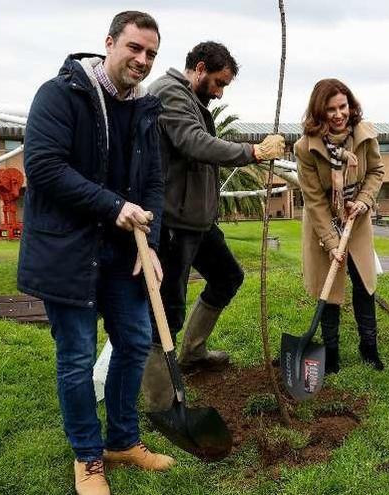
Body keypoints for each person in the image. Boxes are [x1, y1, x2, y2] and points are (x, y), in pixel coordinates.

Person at [18, 11, 174, 495]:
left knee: (132, 342)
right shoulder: (60, 94)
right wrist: (113, 207)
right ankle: (88, 457)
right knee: (77, 357)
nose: (142, 60)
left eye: (150, 53)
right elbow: (43, 166)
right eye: (134, 48)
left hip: (124, 254)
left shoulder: (146, 108)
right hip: (68, 251)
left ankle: (123, 441)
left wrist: (150, 239)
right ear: (109, 43)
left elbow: (153, 184)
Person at [141, 42, 286, 411]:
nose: (220, 92)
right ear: (200, 68)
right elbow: (193, 143)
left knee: (227, 276)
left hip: (200, 222)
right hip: (174, 224)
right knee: (167, 307)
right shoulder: (168, 93)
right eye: (219, 83)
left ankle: (192, 353)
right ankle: (161, 400)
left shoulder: (194, 101)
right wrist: (253, 152)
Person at [294, 78, 385, 374]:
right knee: (329, 285)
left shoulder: (364, 135)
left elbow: (376, 171)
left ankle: (368, 347)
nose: (338, 114)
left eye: (343, 106)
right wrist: (332, 243)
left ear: (350, 105)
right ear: (319, 112)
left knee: (364, 284)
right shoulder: (305, 148)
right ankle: (331, 352)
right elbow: (314, 200)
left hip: (355, 221)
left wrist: (364, 199)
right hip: (323, 224)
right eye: (331, 109)